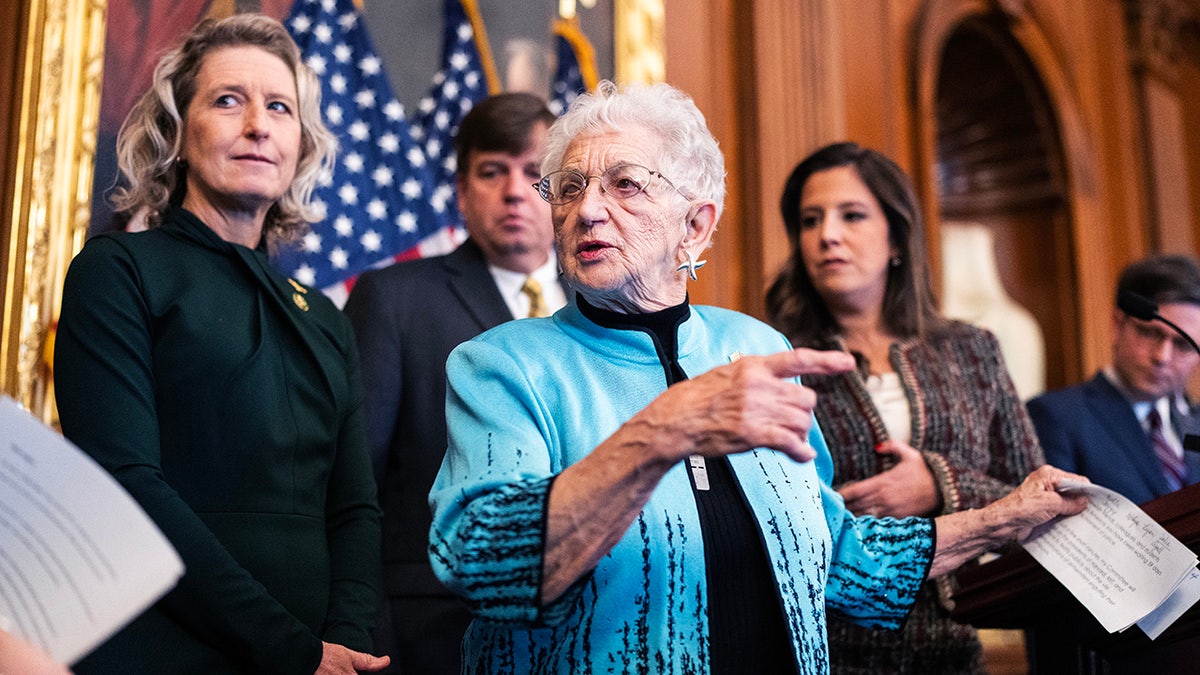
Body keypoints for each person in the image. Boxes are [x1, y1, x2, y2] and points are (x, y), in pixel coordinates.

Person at [427, 80, 1086, 673]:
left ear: (695, 225)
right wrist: (665, 429)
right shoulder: (501, 364)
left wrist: (1004, 519)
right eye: (569, 187)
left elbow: (839, 563)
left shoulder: (754, 345)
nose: (587, 210)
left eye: (624, 183)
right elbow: (487, 566)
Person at [53, 14, 388, 674]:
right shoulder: (117, 269)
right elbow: (126, 485)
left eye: (280, 107)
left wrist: (342, 641)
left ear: (300, 144)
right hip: (161, 652)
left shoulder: (324, 317)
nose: (259, 125)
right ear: (177, 133)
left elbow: (353, 508)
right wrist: (293, 650)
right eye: (228, 100)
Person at [763, 142, 1045, 674]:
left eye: (852, 215)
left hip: (958, 649)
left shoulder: (972, 349)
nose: (827, 235)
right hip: (823, 650)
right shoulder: (774, 356)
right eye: (809, 220)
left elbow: (1032, 498)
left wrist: (940, 485)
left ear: (895, 237)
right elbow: (760, 519)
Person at [342, 92, 565, 675]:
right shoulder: (394, 301)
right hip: (435, 635)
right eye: (492, 172)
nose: (515, 191)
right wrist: (373, 638)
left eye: (534, 172)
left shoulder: (607, 307)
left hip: (587, 632)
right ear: (463, 193)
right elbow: (351, 483)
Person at [1027, 254, 1200, 504]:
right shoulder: (1056, 416)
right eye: (1149, 333)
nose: (1162, 356)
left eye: (1183, 344)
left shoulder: (1195, 421)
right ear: (1117, 325)